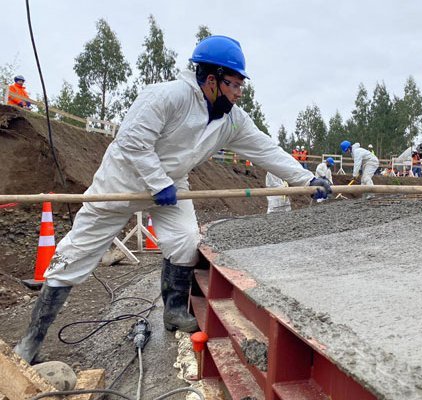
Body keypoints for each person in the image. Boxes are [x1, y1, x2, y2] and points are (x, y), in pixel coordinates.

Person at [14, 35, 332, 363]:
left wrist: (307, 179)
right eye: (234, 85)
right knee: (72, 255)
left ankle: (175, 311)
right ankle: (30, 342)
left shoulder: (232, 119)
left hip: (172, 187)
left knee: (185, 240)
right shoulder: (166, 97)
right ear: (212, 80)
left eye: (240, 87)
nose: (238, 93)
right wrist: (156, 181)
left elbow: (265, 149)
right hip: (122, 183)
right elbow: (132, 142)